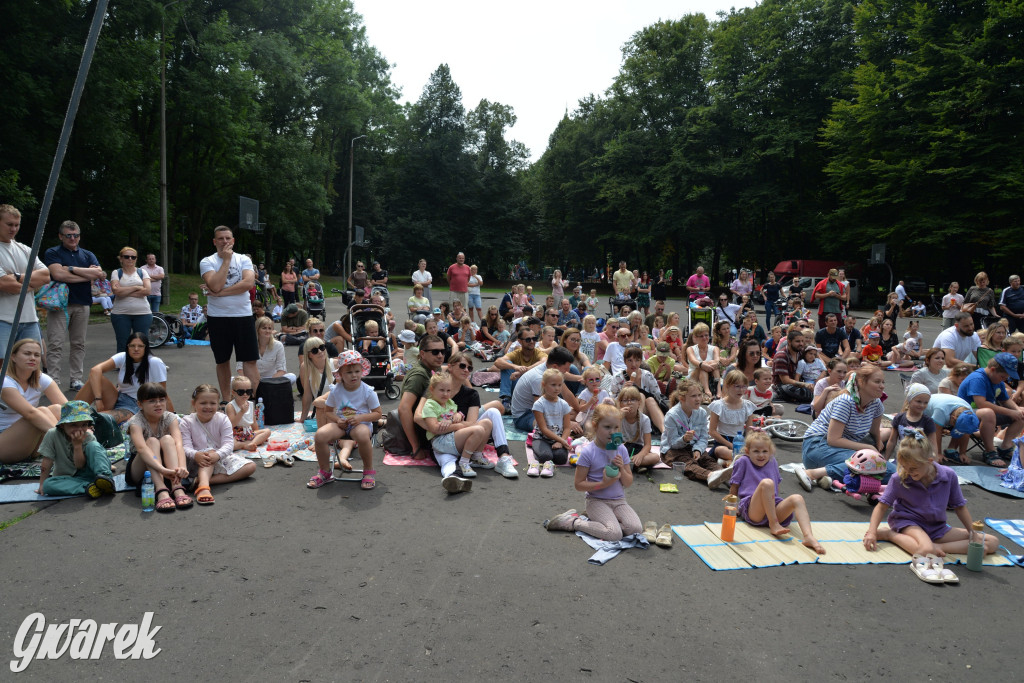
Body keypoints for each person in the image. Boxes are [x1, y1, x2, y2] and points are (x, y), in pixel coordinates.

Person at [864, 432, 997, 583]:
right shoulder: (899, 478)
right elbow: (881, 507)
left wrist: (972, 533)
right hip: (908, 522)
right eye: (905, 467)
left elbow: (960, 507)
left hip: (936, 526)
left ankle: (936, 546)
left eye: (913, 468)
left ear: (930, 461)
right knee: (926, 551)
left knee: (990, 543)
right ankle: (890, 535)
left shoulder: (948, 475)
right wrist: (872, 532)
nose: (909, 471)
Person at [543, 403, 643, 541]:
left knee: (636, 530)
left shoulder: (621, 449)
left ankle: (601, 522)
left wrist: (621, 468)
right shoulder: (588, 452)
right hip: (596, 500)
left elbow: (628, 482)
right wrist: (603, 483)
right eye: (607, 427)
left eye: (616, 427)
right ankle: (574, 522)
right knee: (614, 534)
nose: (613, 432)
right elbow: (579, 485)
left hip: (619, 501)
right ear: (595, 426)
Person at [727, 431, 825, 553]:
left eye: (764, 451)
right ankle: (773, 524)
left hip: (772, 507)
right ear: (747, 451)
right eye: (756, 451)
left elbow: (776, 487)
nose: (761, 455)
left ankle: (808, 536)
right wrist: (733, 506)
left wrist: (775, 506)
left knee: (797, 498)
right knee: (767, 483)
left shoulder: (772, 461)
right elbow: (734, 485)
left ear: (770, 451)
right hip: (753, 508)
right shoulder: (743, 461)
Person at [797, 366, 893, 490]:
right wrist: (869, 448)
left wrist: (878, 443)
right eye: (877, 382)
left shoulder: (876, 403)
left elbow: (874, 432)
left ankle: (831, 477)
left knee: (889, 472)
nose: (882, 386)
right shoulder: (846, 402)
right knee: (880, 467)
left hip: (841, 449)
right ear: (861, 383)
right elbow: (833, 440)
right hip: (818, 447)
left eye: (883, 382)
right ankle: (811, 474)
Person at [43, 220, 104, 391]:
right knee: (55, 343)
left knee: (78, 343)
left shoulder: (87, 254)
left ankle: (76, 379)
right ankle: (53, 381)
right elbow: (57, 274)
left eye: (76, 235)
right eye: (68, 235)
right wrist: (87, 274)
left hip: (83, 303)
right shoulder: (53, 252)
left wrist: (70, 269)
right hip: (59, 305)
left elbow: (99, 274)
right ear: (60, 236)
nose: (72, 238)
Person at [200, 226, 260, 399]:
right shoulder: (207, 261)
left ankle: (252, 399)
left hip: (243, 316)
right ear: (214, 241)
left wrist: (219, 293)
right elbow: (216, 284)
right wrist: (226, 261)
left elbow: (248, 283)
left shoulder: (243, 260)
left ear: (233, 241)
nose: (225, 241)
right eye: (221, 238)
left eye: (228, 238)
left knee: (249, 360)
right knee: (222, 360)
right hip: (218, 318)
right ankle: (227, 400)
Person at [308, 350, 381, 491]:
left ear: (362, 372)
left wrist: (360, 418)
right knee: (320, 435)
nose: (354, 375)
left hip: (361, 424)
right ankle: (325, 472)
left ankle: (368, 470)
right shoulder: (336, 390)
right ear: (340, 374)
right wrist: (337, 419)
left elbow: (378, 414)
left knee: (361, 434)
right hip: (341, 424)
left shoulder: (368, 391)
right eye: (349, 372)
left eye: (357, 371)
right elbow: (328, 411)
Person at [178, 384, 256, 505]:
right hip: (197, 461)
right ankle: (203, 488)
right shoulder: (186, 422)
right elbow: (185, 447)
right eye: (203, 403)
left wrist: (218, 455)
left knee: (251, 466)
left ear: (218, 404)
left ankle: (200, 481)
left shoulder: (222, 419)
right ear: (194, 404)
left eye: (212, 403)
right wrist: (196, 454)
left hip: (218, 458)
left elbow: (229, 444)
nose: (208, 407)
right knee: (209, 453)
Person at [76, 332, 169, 425]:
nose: (136, 349)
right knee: (96, 379)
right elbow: (95, 370)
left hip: (136, 404)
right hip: (119, 397)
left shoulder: (155, 362)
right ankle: (71, 412)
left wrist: (172, 416)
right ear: (128, 347)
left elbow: (163, 394)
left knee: (100, 419)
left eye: (140, 346)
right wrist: (98, 399)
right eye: (132, 346)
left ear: (146, 348)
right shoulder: (123, 357)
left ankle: (76, 422)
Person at [124, 382, 189, 512]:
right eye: (152, 401)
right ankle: (160, 490)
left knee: (168, 439)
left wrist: (182, 466)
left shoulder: (170, 417)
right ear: (140, 404)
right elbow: (141, 449)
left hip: (166, 468)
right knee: (152, 442)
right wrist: (162, 469)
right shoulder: (135, 422)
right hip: (141, 469)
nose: (158, 404)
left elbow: (178, 443)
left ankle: (177, 487)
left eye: (161, 400)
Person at [0, 338, 66, 464]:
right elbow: (30, 414)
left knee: (57, 409)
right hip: (5, 444)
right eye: (27, 354)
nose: (32, 358)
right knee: (39, 412)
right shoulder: (4, 381)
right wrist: (68, 440)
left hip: (30, 444)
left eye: (36, 355)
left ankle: (85, 448)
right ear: (13, 357)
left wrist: (84, 428)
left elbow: (69, 407)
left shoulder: (41, 378)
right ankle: (70, 448)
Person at [35, 400, 115, 497]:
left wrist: (78, 446)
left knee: (94, 446)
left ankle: (105, 478)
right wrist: (42, 484)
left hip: (91, 474)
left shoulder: (88, 437)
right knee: (48, 485)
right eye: (74, 425)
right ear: (62, 425)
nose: (80, 429)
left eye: (84, 425)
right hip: (67, 478)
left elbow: (80, 465)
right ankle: (89, 487)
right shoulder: (52, 434)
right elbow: (47, 461)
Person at [660, 379, 731, 489]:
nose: (698, 399)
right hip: (673, 449)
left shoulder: (702, 412)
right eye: (693, 396)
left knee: (706, 459)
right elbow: (672, 443)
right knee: (688, 464)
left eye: (699, 395)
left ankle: (723, 474)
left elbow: (703, 437)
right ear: (682, 398)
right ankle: (710, 475)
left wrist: (698, 449)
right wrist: (684, 439)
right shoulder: (672, 415)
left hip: (693, 447)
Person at [957, 353, 1024, 467]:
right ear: (992, 370)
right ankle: (990, 451)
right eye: (1003, 377)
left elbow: (1005, 400)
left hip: (987, 414)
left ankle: (1005, 447)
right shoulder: (978, 378)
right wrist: (1010, 412)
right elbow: (981, 404)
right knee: (988, 412)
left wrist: (1017, 410)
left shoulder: (997, 380)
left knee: (1021, 413)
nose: (1005, 379)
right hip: (966, 414)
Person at [0, 205, 49, 359]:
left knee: (32, 366)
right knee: (3, 366)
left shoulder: (25, 249)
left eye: (17, 225)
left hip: (29, 319)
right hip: (3, 319)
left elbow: (46, 276)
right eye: (9, 224)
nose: (13, 229)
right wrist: (32, 282)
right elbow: (5, 285)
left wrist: (14, 276)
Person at [398, 334, 447, 460]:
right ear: (423, 354)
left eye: (443, 351)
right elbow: (404, 409)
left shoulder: (434, 367)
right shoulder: (419, 376)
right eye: (435, 352)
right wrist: (416, 447)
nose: (440, 355)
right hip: (426, 431)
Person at [510, 346, 579, 434]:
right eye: (566, 368)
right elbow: (540, 410)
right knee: (546, 425)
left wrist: (580, 410)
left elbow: (567, 394)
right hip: (524, 415)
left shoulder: (552, 372)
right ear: (555, 366)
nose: (568, 371)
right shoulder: (538, 378)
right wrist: (567, 423)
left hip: (544, 408)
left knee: (576, 414)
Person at [608, 346, 665, 433]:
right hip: (625, 409)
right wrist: (623, 392)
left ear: (641, 361)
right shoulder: (618, 378)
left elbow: (658, 396)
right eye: (630, 360)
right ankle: (638, 429)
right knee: (640, 396)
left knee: (647, 399)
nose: (633, 364)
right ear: (625, 361)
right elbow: (612, 402)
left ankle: (664, 432)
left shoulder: (647, 375)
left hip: (645, 410)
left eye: (637, 360)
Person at [108, 246, 153, 354]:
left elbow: (147, 291)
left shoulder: (142, 272)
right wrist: (136, 287)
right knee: (122, 342)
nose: (130, 259)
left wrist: (125, 291)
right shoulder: (116, 272)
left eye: (133, 257)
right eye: (127, 257)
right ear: (121, 258)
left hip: (143, 313)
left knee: (142, 341)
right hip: (120, 313)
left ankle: (144, 365)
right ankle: (122, 365)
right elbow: (116, 292)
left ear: (136, 259)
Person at [707, 370, 756, 467]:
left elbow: (749, 430)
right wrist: (730, 445)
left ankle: (733, 462)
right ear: (727, 386)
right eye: (737, 386)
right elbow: (712, 431)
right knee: (721, 450)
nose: (741, 390)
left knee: (761, 449)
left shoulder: (747, 405)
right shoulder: (718, 405)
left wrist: (748, 444)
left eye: (744, 386)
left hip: (740, 441)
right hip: (723, 441)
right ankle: (742, 461)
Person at [884, 383, 940, 457]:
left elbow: (933, 445)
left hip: (920, 459)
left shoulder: (928, 421)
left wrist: (934, 463)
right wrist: (885, 460)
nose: (922, 405)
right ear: (909, 400)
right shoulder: (899, 418)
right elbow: (892, 441)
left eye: (926, 402)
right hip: (902, 457)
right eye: (919, 401)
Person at [226, 375, 271, 452]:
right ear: (233, 392)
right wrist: (241, 412)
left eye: (248, 391)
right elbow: (231, 424)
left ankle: (251, 444)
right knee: (230, 445)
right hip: (235, 433)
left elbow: (253, 422)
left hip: (248, 432)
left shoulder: (250, 404)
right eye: (241, 392)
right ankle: (246, 444)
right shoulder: (231, 406)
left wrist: (256, 432)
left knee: (267, 431)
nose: (245, 394)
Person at [772, 328, 813, 403]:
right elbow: (785, 380)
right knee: (790, 389)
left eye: (802, 341)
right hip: (784, 386)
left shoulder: (801, 352)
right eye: (798, 341)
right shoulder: (781, 355)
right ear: (789, 342)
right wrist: (805, 385)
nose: (801, 344)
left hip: (800, 384)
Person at [298, 337, 333, 423]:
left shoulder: (336, 364)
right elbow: (307, 395)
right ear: (309, 355)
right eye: (314, 350)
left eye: (322, 347)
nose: (320, 352)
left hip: (339, 409)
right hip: (322, 411)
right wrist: (303, 418)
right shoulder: (305, 367)